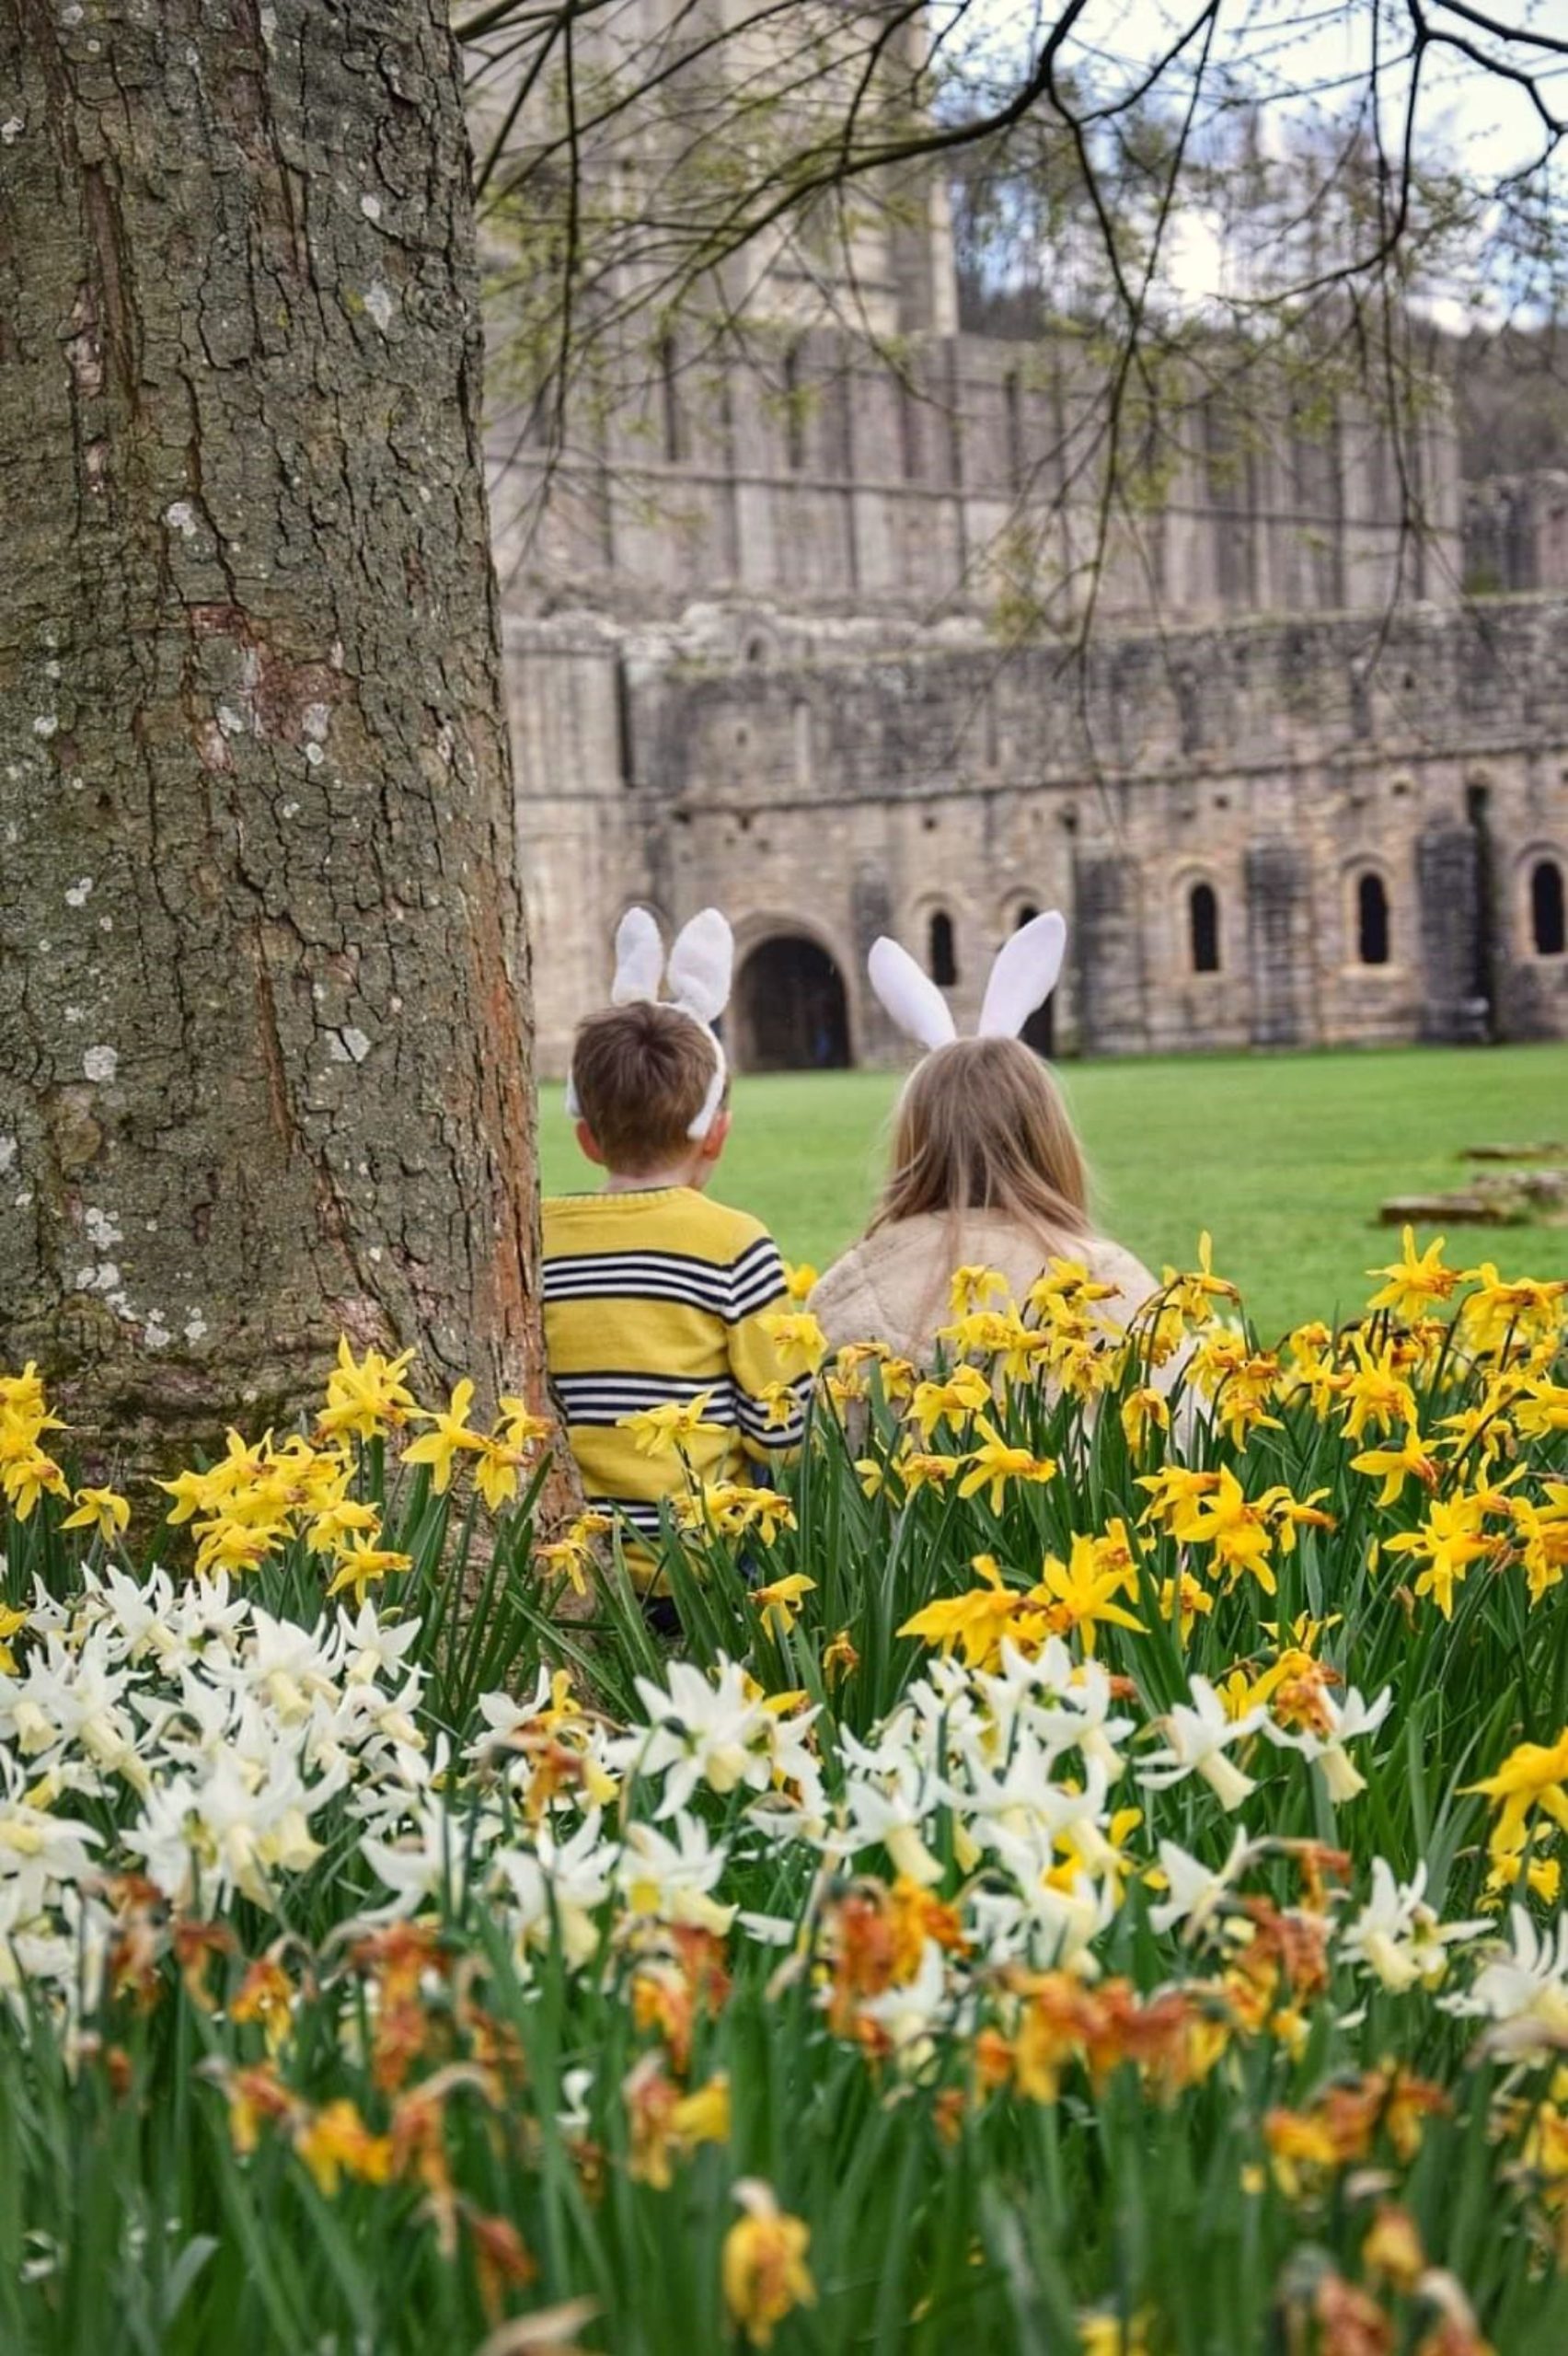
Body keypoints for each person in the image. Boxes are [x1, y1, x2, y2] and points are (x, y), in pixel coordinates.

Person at [540, 910, 808, 1574]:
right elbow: (782, 1430)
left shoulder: (535, 1237)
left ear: (586, 1137)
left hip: (577, 1555)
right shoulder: (734, 1244)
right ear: (716, 1133)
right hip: (706, 1557)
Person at [810, 912, 1162, 1367]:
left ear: (913, 1143)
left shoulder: (847, 1291)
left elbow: (818, 1431)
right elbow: (1187, 1428)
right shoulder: (1110, 1283)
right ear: (1047, 1138)